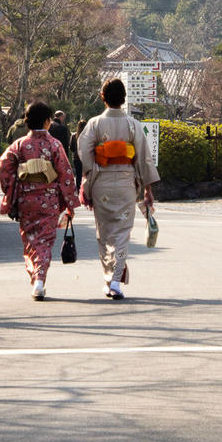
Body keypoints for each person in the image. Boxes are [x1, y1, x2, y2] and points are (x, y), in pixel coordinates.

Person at [77, 78, 160, 300]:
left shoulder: (94, 124)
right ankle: (115, 281)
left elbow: (85, 154)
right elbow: (143, 158)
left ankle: (109, 279)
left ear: (103, 97)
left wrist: (88, 177)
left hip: (101, 182)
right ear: (124, 99)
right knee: (122, 233)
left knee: (104, 234)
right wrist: (147, 189)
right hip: (125, 183)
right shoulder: (133, 125)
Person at [0, 101, 80, 300]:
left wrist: (12, 189)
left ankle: (35, 278)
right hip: (48, 199)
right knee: (45, 241)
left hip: (26, 200)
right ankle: (40, 280)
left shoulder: (19, 145)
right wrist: (70, 202)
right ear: (46, 121)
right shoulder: (54, 145)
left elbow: (2, 168)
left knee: (30, 241)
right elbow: (65, 174)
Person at [69, 118, 87, 191]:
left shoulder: (74, 136)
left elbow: (71, 148)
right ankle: (85, 190)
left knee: (78, 175)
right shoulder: (88, 136)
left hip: (76, 158)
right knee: (86, 175)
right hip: (86, 158)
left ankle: (78, 189)